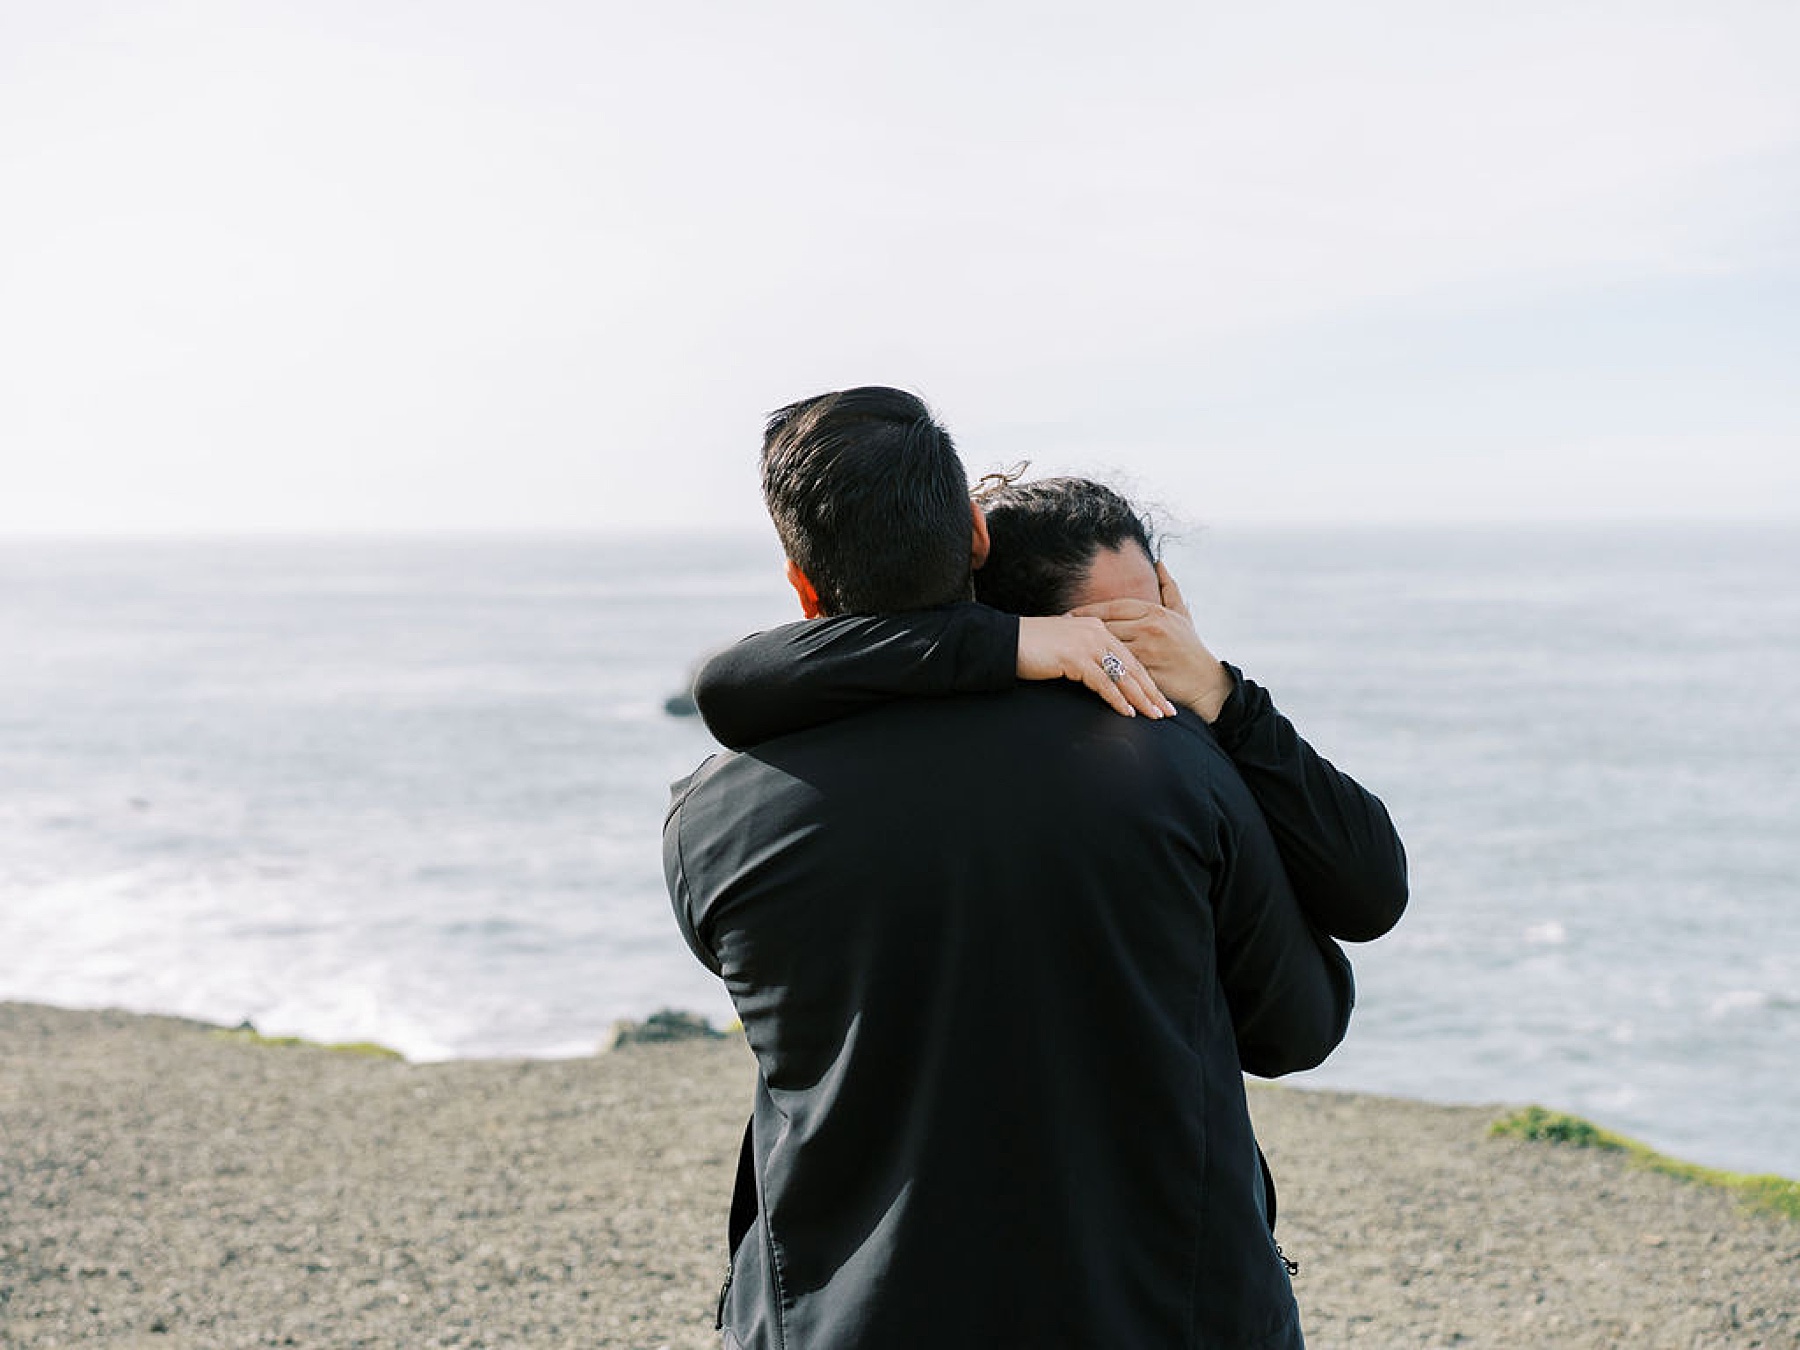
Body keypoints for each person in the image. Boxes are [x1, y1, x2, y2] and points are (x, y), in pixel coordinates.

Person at [664, 387, 1353, 1350]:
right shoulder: (1166, 759)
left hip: (846, 1322)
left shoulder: (715, 817)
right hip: (1162, 1316)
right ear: (978, 542)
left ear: (801, 585)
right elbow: (1299, 1025)